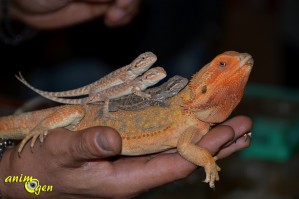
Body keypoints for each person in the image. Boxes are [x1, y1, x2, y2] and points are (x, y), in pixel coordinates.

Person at [0, 1, 252, 198]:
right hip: (74, 116)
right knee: (75, 112)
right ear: (204, 85)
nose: (242, 61)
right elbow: (186, 149)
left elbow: (186, 147)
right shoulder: (188, 120)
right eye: (222, 64)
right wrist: (207, 160)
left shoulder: (192, 120)